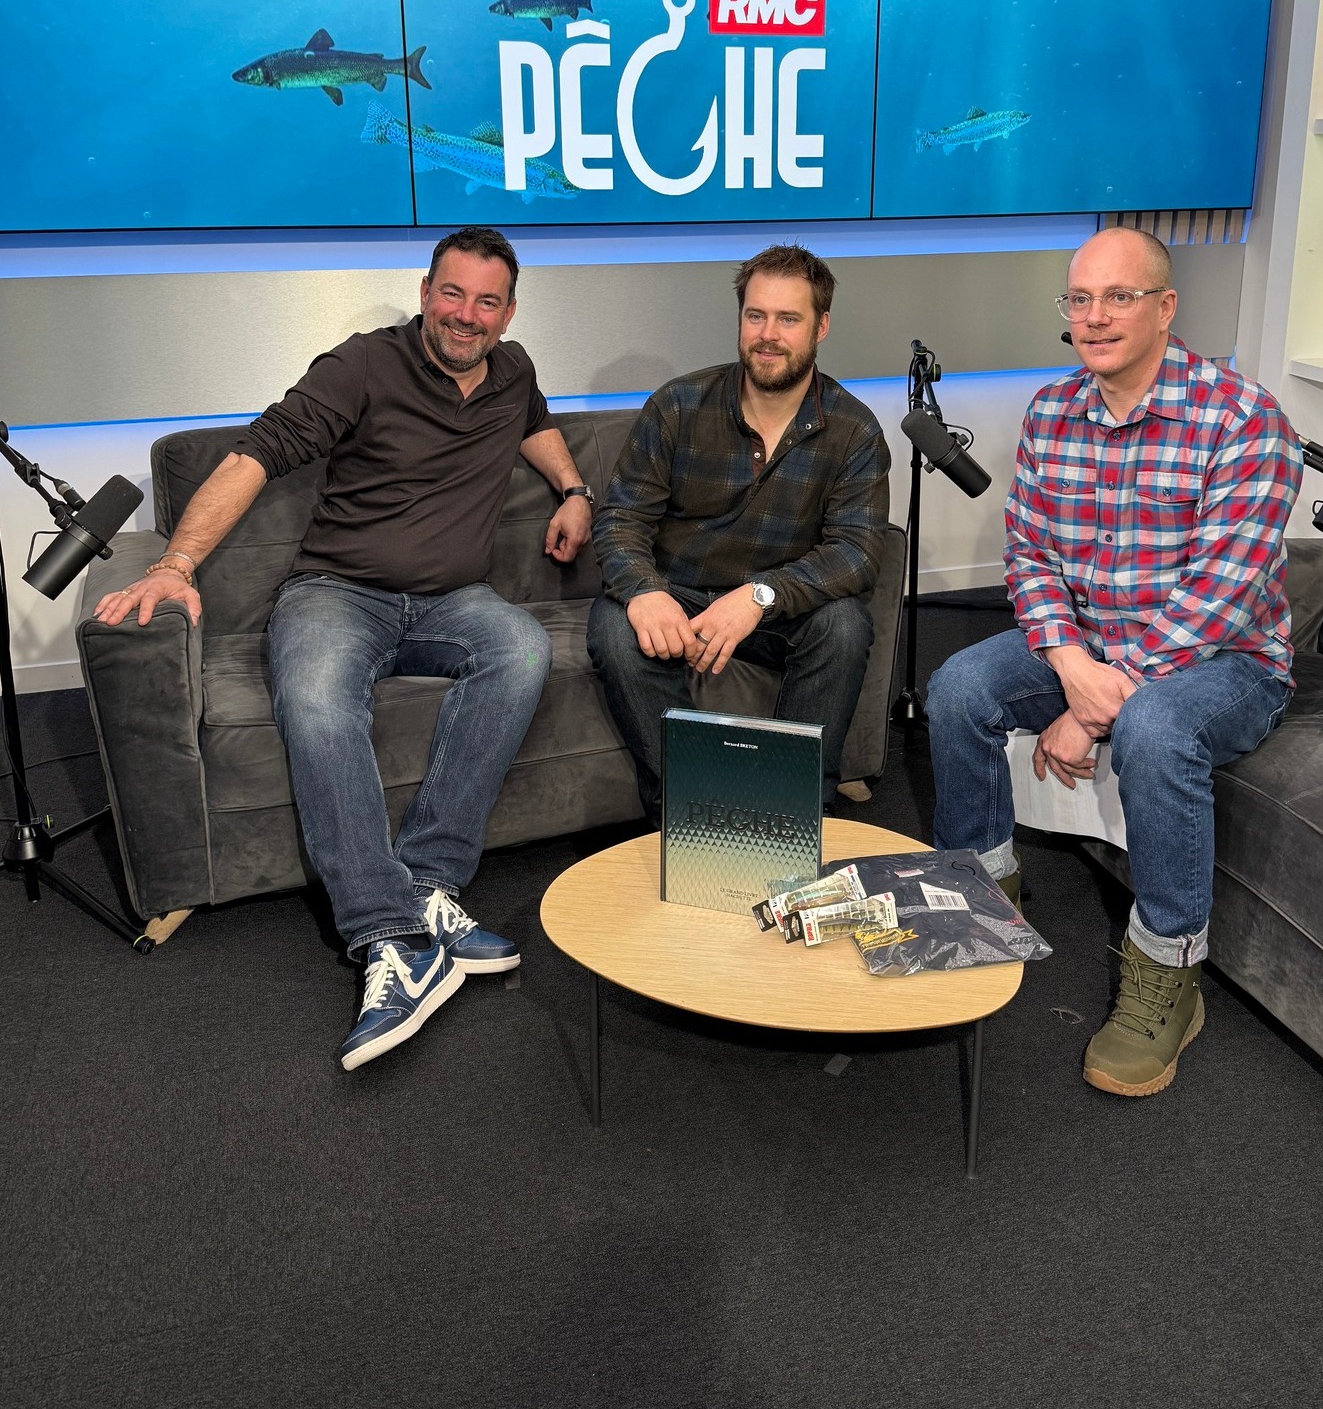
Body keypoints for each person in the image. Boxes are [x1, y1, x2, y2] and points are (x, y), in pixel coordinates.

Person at [93, 226, 595, 1070]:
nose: (465, 315)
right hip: (338, 592)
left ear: (509, 313)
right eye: (451, 293)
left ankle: (427, 884)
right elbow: (258, 453)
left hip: (454, 601)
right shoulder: (362, 364)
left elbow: (534, 422)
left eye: (486, 302)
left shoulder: (513, 371)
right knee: (318, 699)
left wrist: (573, 488)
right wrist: (176, 563)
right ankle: (388, 935)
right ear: (424, 291)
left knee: (523, 648)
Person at [926, 227, 1300, 1097]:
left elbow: (1219, 598)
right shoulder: (1053, 410)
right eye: (1080, 299)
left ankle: (1168, 970)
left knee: (1155, 724)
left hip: (1227, 660)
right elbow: (1030, 556)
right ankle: (983, 899)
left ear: (1166, 308)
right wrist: (1069, 662)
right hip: (1090, 642)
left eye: (1118, 297)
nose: (1094, 317)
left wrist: (1096, 702)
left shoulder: (1245, 419)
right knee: (957, 688)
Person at [587, 243, 891, 823]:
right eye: (756, 316)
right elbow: (622, 517)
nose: (767, 335)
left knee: (845, 626)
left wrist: (759, 596)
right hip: (678, 594)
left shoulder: (854, 430)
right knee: (613, 626)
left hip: (775, 609)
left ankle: (792, 814)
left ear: (821, 327)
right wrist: (646, 591)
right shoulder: (678, 405)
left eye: (788, 319)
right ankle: (694, 813)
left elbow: (856, 552)